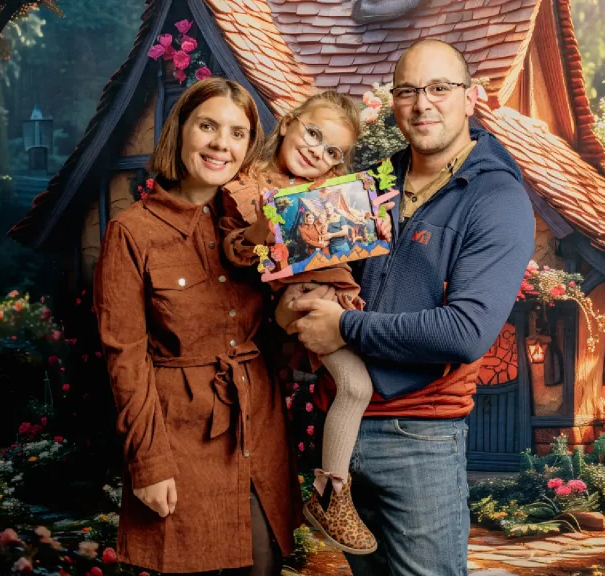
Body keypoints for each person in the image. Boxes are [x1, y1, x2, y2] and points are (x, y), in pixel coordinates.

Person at [283, 39, 536, 575]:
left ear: (471, 98)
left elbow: (465, 332)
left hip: (418, 437)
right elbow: (301, 266)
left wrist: (344, 327)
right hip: (341, 432)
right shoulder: (373, 182)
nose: (423, 104)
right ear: (394, 103)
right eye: (407, 91)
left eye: (440, 88)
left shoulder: (496, 199)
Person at [94, 77, 301, 576]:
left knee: (264, 566)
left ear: (250, 147)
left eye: (236, 133)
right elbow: (125, 358)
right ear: (180, 130)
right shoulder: (132, 232)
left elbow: (281, 333)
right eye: (207, 126)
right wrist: (149, 463)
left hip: (261, 432)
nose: (220, 145)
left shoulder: (261, 225)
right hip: (181, 440)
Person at [219, 90, 391, 556]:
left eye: (332, 150)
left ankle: (329, 493)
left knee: (354, 387)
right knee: (355, 387)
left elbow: (353, 229)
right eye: (313, 134)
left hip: (333, 301)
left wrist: (377, 222)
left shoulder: (332, 189)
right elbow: (233, 248)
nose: (318, 151)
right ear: (290, 122)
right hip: (301, 302)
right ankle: (331, 495)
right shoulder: (248, 186)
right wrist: (256, 233)